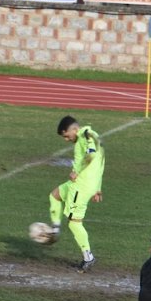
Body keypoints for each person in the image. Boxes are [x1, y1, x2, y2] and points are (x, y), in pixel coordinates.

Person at [46, 115, 105, 272]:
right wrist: (98, 187)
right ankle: (55, 231)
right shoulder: (92, 135)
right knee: (55, 195)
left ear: (74, 129)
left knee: (74, 222)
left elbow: (91, 155)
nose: (66, 140)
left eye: (66, 136)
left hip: (81, 185)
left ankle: (88, 257)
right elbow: (101, 161)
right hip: (85, 184)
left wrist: (76, 171)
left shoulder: (85, 135)